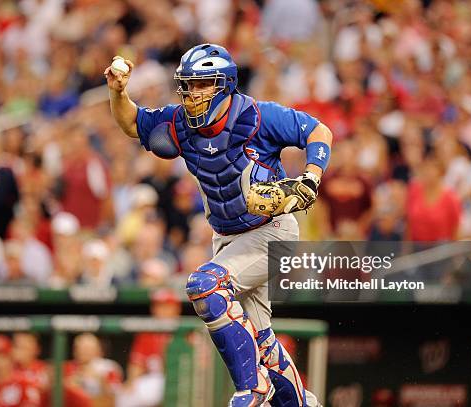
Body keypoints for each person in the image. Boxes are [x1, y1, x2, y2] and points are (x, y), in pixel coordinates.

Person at [105, 43, 332, 406]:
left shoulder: (257, 116)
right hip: (227, 239)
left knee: (205, 287)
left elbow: (318, 132)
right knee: (264, 345)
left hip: (272, 230)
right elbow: (132, 122)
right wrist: (118, 92)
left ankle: (253, 390)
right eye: (188, 85)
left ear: (225, 84)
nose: (193, 94)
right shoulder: (179, 124)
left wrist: (310, 177)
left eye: (202, 84)